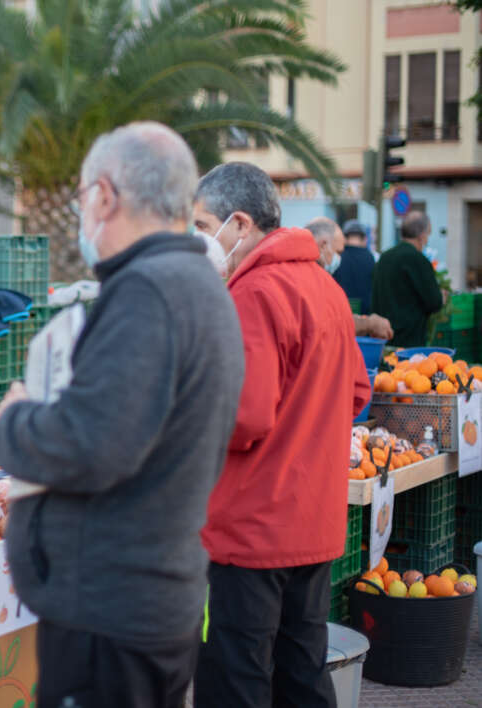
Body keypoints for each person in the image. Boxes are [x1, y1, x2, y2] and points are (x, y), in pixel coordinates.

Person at [0, 122, 245, 708]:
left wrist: (17, 420)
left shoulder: (147, 292)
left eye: (82, 198)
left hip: (110, 614)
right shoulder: (199, 285)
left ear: (104, 196)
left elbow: (92, 445)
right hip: (148, 600)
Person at [192, 162, 371, 707]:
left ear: (240, 224)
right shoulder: (325, 287)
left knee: (236, 677)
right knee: (301, 670)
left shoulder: (252, 293)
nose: (198, 240)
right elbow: (358, 391)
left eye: (203, 227)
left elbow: (242, 417)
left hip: (251, 530)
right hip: (313, 521)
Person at [306, 216, 393, 340]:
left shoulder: (315, 274)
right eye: (339, 252)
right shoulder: (370, 258)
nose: (339, 258)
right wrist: (368, 323)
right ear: (323, 246)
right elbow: (324, 323)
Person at [372, 211, 445, 347]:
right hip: (409, 340)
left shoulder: (384, 257)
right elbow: (434, 302)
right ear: (422, 235)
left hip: (382, 336)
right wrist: (441, 297)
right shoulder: (418, 260)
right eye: (428, 234)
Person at [333, 218, 377, 312]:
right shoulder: (370, 257)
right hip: (365, 312)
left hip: (342, 309)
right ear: (364, 238)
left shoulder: (338, 257)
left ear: (344, 238)